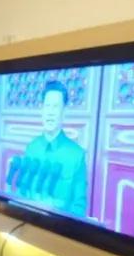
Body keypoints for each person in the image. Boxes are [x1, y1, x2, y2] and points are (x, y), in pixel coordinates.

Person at [16, 80, 88, 216]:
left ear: (64, 112)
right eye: (47, 106)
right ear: (42, 110)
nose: (50, 112)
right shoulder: (32, 147)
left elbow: (79, 207)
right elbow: (22, 192)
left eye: (55, 107)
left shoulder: (77, 155)